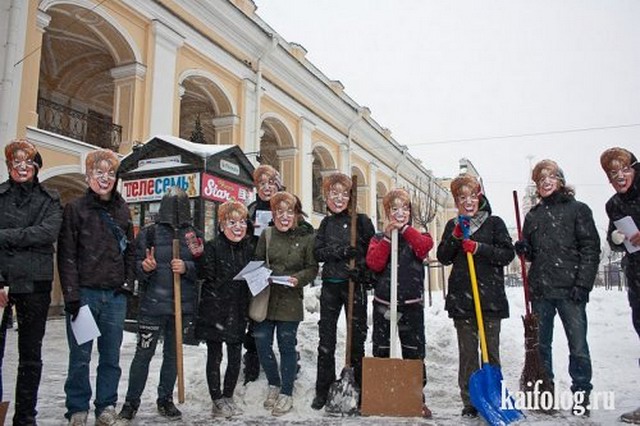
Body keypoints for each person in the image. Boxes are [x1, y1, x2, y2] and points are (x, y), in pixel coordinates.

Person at [515, 159, 601, 416]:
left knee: (578, 346)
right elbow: (531, 254)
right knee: (542, 347)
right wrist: (523, 250)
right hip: (541, 291)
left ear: (561, 181)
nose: (546, 182)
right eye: (541, 180)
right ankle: (544, 393)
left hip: (570, 291)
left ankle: (582, 394)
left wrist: (583, 284)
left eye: (551, 177)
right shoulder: (533, 216)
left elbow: (590, 249)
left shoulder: (578, 210)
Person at [58, 149, 135, 426]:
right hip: (85, 295)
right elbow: (66, 255)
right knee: (80, 357)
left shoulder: (122, 209)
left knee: (111, 357)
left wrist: (127, 283)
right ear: (88, 175)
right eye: (98, 173)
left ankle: (106, 405)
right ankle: (77, 407)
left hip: (114, 297)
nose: (105, 179)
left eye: (110, 173)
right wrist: (72, 296)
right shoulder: (75, 209)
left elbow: (131, 252)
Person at [118, 187, 204, 424]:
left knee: (172, 356)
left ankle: (165, 399)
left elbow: (203, 267)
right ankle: (130, 403)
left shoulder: (193, 235)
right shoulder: (150, 233)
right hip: (152, 307)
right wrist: (144, 268)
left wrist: (187, 268)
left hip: (180, 307)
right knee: (143, 354)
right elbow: (135, 265)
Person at [436, 174, 514, 418]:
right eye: (462, 197)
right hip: (463, 300)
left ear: (479, 197)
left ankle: (494, 396)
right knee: (468, 354)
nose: (468, 202)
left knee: (491, 352)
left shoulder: (495, 224)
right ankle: (470, 400)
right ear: (457, 201)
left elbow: (507, 254)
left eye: (472, 196)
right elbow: (443, 257)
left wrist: (480, 248)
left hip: (489, 299)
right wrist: (456, 236)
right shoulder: (453, 225)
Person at [0, 139, 63, 425]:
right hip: (2, 283)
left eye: (28, 163)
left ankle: (26, 417)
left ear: (37, 167)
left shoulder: (50, 200)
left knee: (30, 356)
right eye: (16, 163)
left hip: (35, 285)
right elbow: (34, 235)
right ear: (9, 166)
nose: (22, 168)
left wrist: (7, 235)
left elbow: (47, 234)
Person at [365, 188, 434, 418]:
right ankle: (384, 396)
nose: (400, 213)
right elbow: (374, 263)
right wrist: (387, 237)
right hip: (384, 302)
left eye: (404, 209)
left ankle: (415, 398)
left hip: (411, 304)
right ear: (387, 212)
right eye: (394, 209)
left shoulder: (418, 235)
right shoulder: (377, 238)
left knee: (414, 351)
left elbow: (424, 248)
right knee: (382, 347)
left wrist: (405, 230)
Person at [311, 172, 375, 410]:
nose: (339, 199)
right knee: (326, 339)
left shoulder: (362, 222)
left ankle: (356, 385)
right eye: (333, 194)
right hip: (331, 286)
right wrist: (340, 252)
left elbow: (373, 253)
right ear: (326, 197)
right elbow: (318, 253)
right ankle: (323, 389)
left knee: (356, 338)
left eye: (344, 193)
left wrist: (363, 271)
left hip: (353, 286)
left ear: (351, 196)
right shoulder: (326, 224)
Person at [253, 191, 318, 416]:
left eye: (289, 212)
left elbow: (312, 268)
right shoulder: (267, 234)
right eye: (279, 212)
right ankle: (274, 382)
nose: (283, 216)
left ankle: (286, 392)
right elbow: (257, 261)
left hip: (290, 301)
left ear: (297, 214)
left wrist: (298, 279)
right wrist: (260, 274)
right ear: (273, 214)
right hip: (267, 298)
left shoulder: (307, 238)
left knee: (286, 346)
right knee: (261, 343)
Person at [196, 200, 254, 418]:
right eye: (232, 222)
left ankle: (228, 395)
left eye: (241, 222)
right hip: (215, 309)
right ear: (221, 225)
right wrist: (200, 258)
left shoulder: (249, 248)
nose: (238, 227)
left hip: (238, 309)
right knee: (215, 356)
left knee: (235, 355)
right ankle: (216, 399)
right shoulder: (211, 246)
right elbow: (205, 275)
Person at [599, 148, 640, 424]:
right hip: (637, 275)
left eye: (624, 170)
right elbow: (613, 239)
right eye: (613, 174)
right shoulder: (614, 205)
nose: (619, 177)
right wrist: (615, 237)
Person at [243, 164, 283, 383]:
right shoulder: (251, 210)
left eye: (270, 182)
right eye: (261, 183)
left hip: (282, 272)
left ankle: (288, 364)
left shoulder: (287, 206)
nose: (266, 187)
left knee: (283, 321)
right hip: (257, 273)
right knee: (256, 318)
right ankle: (252, 362)